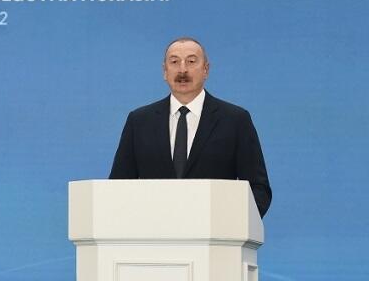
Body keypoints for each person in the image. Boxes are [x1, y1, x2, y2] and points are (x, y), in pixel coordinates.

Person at [109, 37, 272, 218]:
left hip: (217, 231)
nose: (182, 70)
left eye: (191, 61)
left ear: (206, 69)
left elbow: (259, 189)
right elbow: (117, 188)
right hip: (153, 230)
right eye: (174, 62)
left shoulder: (235, 120)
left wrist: (234, 223)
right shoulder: (139, 121)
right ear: (164, 71)